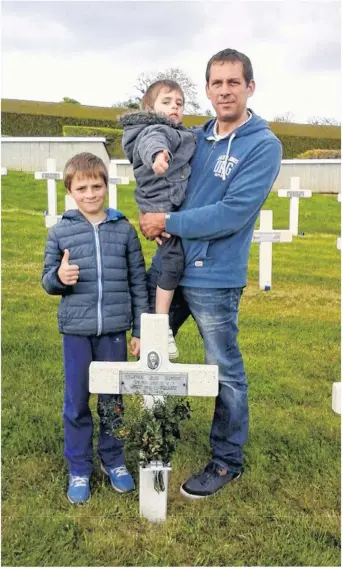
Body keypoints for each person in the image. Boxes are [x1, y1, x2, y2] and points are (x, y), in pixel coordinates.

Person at [139, 49, 283, 499]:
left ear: (250, 88)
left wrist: (167, 223)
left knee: (224, 370)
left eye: (233, 83)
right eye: (216, 83)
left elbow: (233, 214)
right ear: (207, 89)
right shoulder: (195, 138)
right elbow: (166, 181)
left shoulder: (262, 145)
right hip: (170, 266)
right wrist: (154, 211)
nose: (224, 91)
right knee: (144, 347)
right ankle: (143, 442)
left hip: (214, 278)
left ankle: (226, 461)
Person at [42, 152, 149, 504]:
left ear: (106, 186)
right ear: (70, 191)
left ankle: (113, 459)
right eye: (82, 188)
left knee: (112, 401)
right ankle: (79, 466)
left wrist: (139, 330)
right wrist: (60, 277)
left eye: (96, 186)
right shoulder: (60, 232)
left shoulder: (124, 230)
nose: (90, 194)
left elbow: (138, 281)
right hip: (76, 331)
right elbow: (47, 280)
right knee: (76, 401)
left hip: (114, 332)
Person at [119, 80, 197, 360]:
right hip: (161, 205)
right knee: (173, 260)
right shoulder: (156, 129)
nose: (175, 106)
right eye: (167, 102)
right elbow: (153, 142)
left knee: (167, 262)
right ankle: (160, 323)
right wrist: (157, 157)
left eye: (179, 102)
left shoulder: (176, 130)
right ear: (150, 108)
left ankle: (153, 329)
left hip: (163, 203)